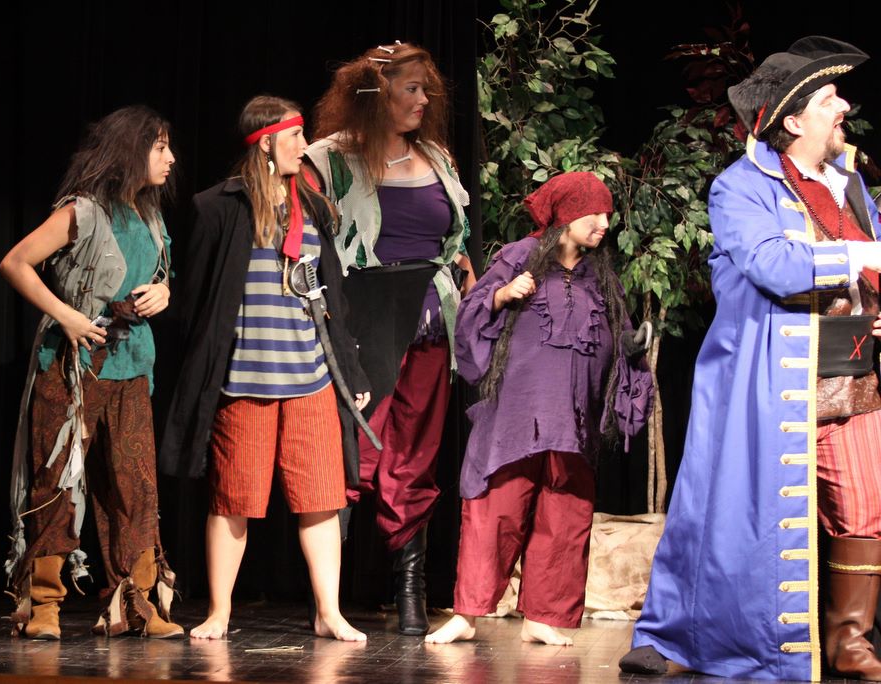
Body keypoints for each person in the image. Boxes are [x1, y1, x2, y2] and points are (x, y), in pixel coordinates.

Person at [621, 36, 881, 681]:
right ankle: (707, 636)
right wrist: (861, 258)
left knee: (866, 507)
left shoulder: (850, 184)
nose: (844, 108)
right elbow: (772, 264)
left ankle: (850, 640)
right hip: (770, 378)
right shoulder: (742, 186)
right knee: (748, 517)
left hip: (852, 372)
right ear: (793, 120)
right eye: (829, 99)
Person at [158, 95, 370, 642]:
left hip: (311, 379)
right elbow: (197, 300)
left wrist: (351, 372)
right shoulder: (218, 207)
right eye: (295, 135)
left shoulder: (315, 209)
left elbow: (335, 302)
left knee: (321, 499)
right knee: (233, 500)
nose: (305, 144)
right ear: (267, 142)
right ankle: (220, 612)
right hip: (244, 381)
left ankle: (329, 612)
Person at [423, 172, 653, 645]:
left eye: (607, 214)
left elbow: (621, 335)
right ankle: (467, 615)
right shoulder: (520, 257)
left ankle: (542, 617)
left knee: (564, 516)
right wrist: (502, 295)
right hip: (517, 412)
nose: (604, 223)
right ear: (567, 215)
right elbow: (470, 316)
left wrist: (632, 348)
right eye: (594, 214)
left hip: (575, 418)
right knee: (496, 510)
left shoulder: (601, 275)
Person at [304, 41, 476, 636]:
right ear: (375, 95)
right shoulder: (327, 160)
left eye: (428, 89)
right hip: (362, 322)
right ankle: (328, 601)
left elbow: (457, 246)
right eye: (412, 89)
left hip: (428, 320)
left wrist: (471, 294)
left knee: (416, 457)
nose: (424, 100)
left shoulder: (436, 157)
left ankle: (410, 594)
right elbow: (302, 243)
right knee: (355, 453)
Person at [0, 105, 183, 639]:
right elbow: (15, 262)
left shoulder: (150, 216)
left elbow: (161, 275)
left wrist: (163, 293)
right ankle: (44, 605)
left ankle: (135, 604)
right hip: (72, 364)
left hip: (132, 364)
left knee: (134, 483)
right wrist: (67, 314)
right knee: (57, 478)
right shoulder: (83, 210)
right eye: (160, 147)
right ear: (132, 150)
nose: (171, 158)